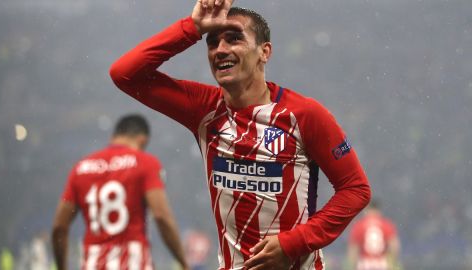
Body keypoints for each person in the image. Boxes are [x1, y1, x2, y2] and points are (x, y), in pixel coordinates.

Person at [110, 1, 371, 269]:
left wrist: (292, 243)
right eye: (212, 43)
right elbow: (124, 74)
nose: (220, 50)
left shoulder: (304, 114)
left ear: (264, 51)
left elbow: (355, 189)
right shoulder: (203, 109)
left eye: (234, 39)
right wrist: (193, 27)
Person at [51, 114, 189, 270]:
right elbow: (161, 217)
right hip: (134, 263)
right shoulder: (145, 163)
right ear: (142, 140)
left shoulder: (81, 168)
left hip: (93, 264)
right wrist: (182, 261)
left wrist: (61, 267)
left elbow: (59, 227)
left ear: (114, 136)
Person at [347, 200, 401, 270]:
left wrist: (353, 265)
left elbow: (353, 249)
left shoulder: (359, 225)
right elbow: (394, 246)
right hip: (382, 264)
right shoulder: (386, 225)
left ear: (367, 210)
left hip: (365, 264)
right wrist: (392, 262)